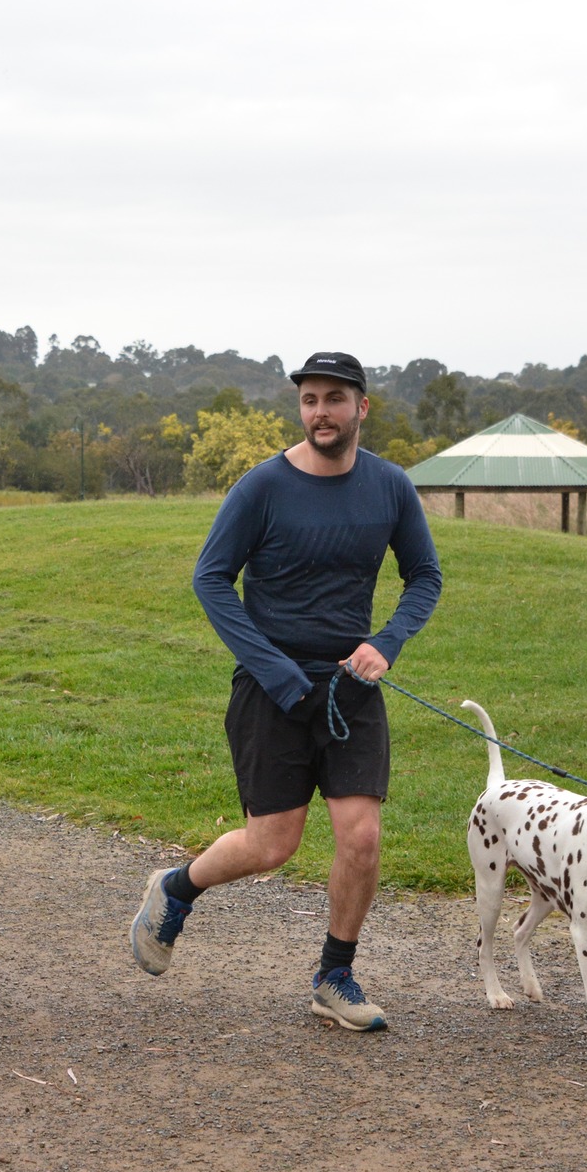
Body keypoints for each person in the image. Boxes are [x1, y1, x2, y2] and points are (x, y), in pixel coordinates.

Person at [129, 351, 442, 1031]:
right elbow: (211, 580)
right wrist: (277, 672)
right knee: (272, 845)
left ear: (362, 407)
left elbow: (424, 576)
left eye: (335, 398)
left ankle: (335, 975)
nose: (321, 412)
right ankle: (176, 888)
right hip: (271, 689)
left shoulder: (389, 486)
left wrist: (384, 644)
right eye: (310, 399)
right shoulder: (262, 487)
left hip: (350, 688)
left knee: (361, 836)